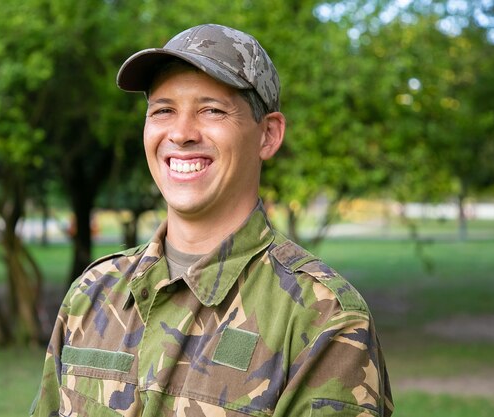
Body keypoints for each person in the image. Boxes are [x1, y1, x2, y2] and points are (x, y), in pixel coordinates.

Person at [30, 23, 393, 417]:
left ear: (268, 135)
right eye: (163, 110)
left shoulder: (322, 317)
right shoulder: (92, 293)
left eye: (212, 110)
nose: (181, 133)